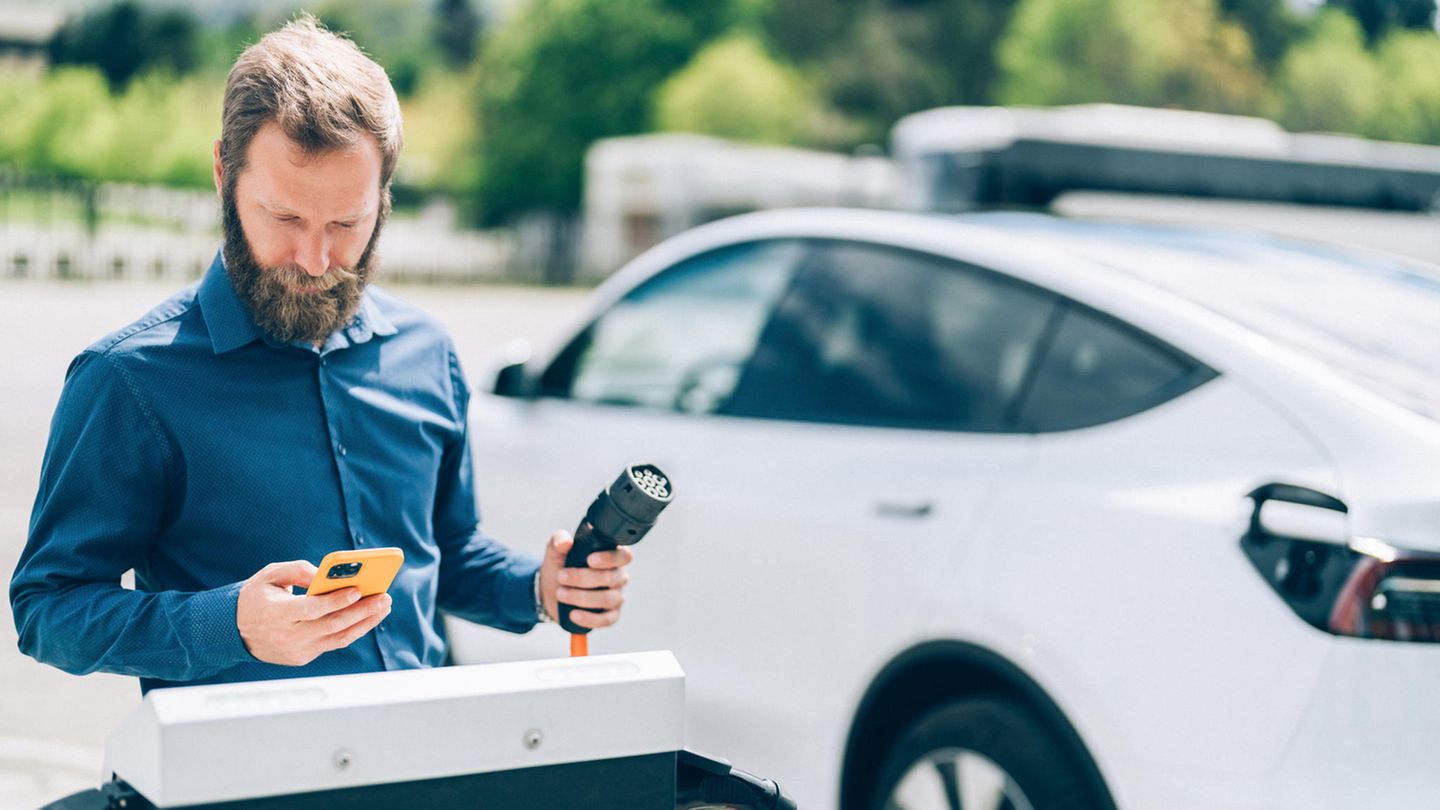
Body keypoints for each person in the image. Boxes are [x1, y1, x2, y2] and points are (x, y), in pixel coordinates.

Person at [9, 15, 632, 694]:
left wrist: (538, 587)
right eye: (284, 219)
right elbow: (49, 608)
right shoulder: (129, 380)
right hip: (241, 788)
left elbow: (442, 552)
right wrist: (231, 624)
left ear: (383, 200)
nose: (314, 259)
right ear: (224, 174)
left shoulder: (427, 353)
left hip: (422, 768)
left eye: (345, 225)